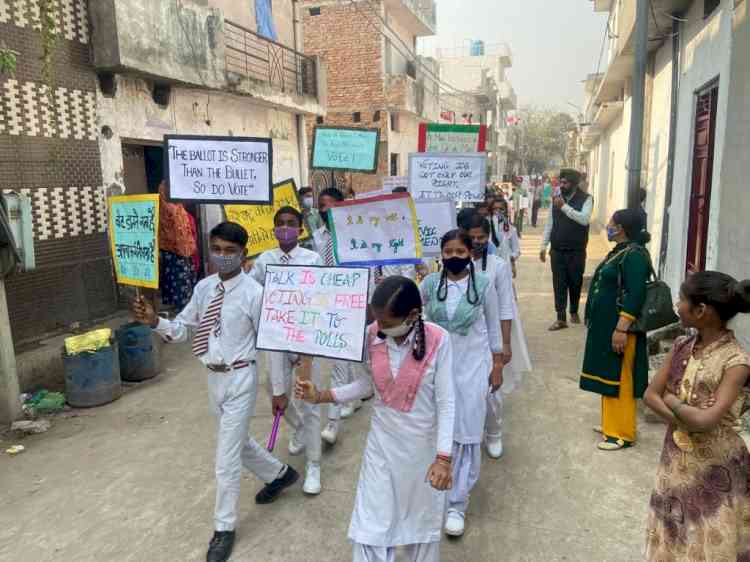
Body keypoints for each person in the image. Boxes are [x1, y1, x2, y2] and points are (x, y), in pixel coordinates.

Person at [132, 222, 299, 562]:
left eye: (230, 251)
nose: (222, 257)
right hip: (214, 377)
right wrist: (155, 322)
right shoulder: (204, 288)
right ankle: (280, 474)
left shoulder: (254, 294)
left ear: (243, 254)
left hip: (242, 378)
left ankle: (224, 528)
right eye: (217, 249)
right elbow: (182, 330)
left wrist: (279, 389)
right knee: (237, 442)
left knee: (225, 459)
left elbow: (273, 346)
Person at [295, 277, 455, 562]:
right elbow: (367, 385)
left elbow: (446, 402)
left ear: (413, 315)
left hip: (424, 452)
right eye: (376, 319)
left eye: (386, 322)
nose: (379, 327)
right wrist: (320, 395)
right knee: (371, 526)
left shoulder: (439, 339)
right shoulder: (372, 335)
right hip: (381, 448)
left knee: (419, 527)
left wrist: (443, 459)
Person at [644, 271, 750, 560]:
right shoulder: (682, 346)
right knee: (673, 538)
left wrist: (672, 401)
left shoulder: (736, 361)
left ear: (700, 310)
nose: (678, 305)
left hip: (717, 469)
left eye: (682, 300)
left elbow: (706, 421)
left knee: (709, 542)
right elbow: (649, 395)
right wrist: (686, 413)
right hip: (675, 464)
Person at [419, 230, 504, 537]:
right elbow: (417, 320)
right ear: (440, 255)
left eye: (459, 251)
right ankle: (436, 488)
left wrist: (497, 365)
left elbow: (494, 327)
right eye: (448, 252)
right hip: (436, 368)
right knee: (439, 428)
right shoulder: (429, 284)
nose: (453, 257)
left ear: (470, 253)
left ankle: (457, 503)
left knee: (467, 432)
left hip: (472, 367)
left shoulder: (483, 285)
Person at [250, 206, 324, 496]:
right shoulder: (264, 261)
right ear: (273, 229)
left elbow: (323, 296)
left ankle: (314, 464)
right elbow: (253, 294)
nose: (285, 228)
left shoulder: (313, 259)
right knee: (274, 388)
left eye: (290, 224)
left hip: (306, 339)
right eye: (279, 224)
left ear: (300, 229)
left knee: (309, 397)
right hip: (277, 335)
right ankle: (301, 429)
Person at [580, 209, 650, 451]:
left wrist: (621, 328)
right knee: (609, 373)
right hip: (606, 326)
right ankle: (611, 423)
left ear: (620, 228)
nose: (607, 225)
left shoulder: (635, 256)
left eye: (610, 222)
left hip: (621, 329)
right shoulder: (621, 251)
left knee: (621, 378)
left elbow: (636, 294)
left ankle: (621, 433)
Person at [312, 187, 362, 442]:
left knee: (341, 358)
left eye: (331, 205)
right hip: (326, 301)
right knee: (342, 356)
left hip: (351, 301)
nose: (326, 210)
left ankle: (332, 423)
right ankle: (351, 398)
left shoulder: (356, 234)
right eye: (322, 206)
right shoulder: (317, 236)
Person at [464, 215, 515, 459]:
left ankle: (493, 432)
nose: (476, 242)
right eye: (471, 237)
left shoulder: (497, 266)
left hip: (488, 338)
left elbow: (506, 308)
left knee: (490, 390)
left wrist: (505, 344)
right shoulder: (450, 261)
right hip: (459, 338)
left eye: (481, 237)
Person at [540, 168, 593, 331]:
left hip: (576, 250)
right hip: (557, 250)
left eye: (565, 182)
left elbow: (584, 219)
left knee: (575, 282)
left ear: (574, 184)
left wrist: (564, 207)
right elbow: (550, 223)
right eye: (560, 182)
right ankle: (561, 317)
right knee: (559, 283)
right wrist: (543, 246)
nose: (561, 185)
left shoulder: (586, 199)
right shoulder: (556, 199)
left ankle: (574, 310)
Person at [158, 181, 198, 312]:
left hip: (185, 249)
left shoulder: (179, 207)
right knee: (177, 278)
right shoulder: (165, 207)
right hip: (172, 249)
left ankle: (185, 306)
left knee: (185, 276)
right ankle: (181, 307)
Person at [489, 198, 520, 278]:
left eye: (501, 209)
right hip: (490, 267)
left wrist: (511, 257)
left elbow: (516, 250)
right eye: (495, 209)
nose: (498, 211)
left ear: (506, 210)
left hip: (506, 267)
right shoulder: (486, 228)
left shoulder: (511, 229)